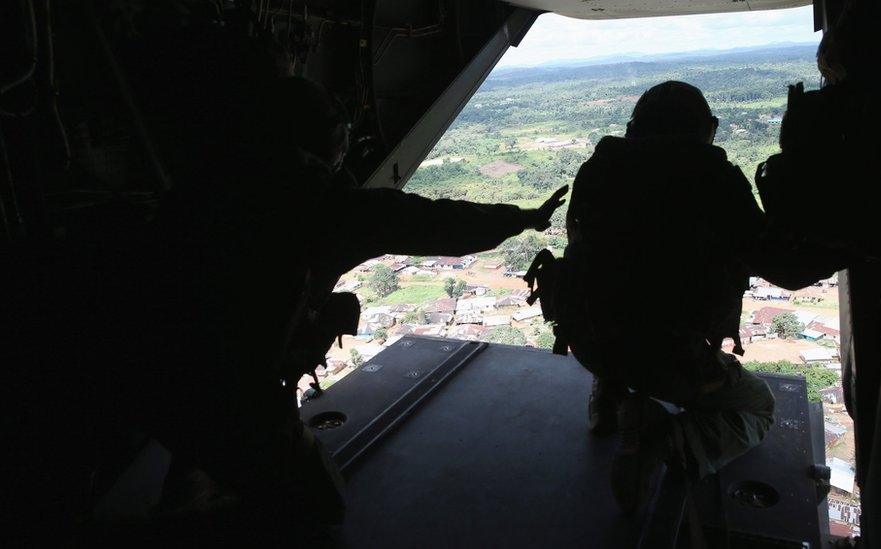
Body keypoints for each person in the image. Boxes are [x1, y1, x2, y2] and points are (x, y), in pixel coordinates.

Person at [144, 76, 567, 539]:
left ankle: (198, 469)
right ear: (317, 139)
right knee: (320, 506)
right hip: (229, 383)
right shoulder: (320, 205)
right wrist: (522, 218)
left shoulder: (199, 189)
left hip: (152, 374)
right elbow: (437, 222)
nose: (345, 136)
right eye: (335, 126)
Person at [560, 81, 779, 513]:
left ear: (632, 128)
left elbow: (584, 261)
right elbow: (778, 263)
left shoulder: (597, 171)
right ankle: (665, 441)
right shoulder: (715, 179)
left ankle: (610, 396)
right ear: (709, 130)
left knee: (616, 305)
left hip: (591, 345)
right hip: (670, 358)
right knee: (759, 406)